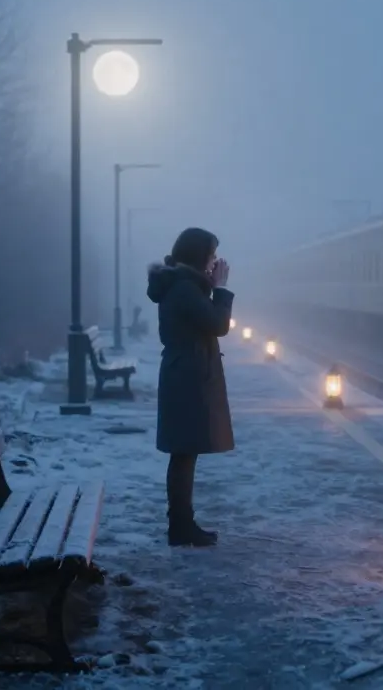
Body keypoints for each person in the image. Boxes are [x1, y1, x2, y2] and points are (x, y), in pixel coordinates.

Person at [146, 227, 235, 547]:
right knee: (183, 453)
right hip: (186, 377)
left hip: (183, 374)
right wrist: (221, 290)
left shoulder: (183, 285)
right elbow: (217, 324)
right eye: (211, 256)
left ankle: (182, 522)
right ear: (199, 257)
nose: (214, 263)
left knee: (184, 452)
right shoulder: (184, 288)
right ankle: (180, 526)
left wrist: (209, 288)